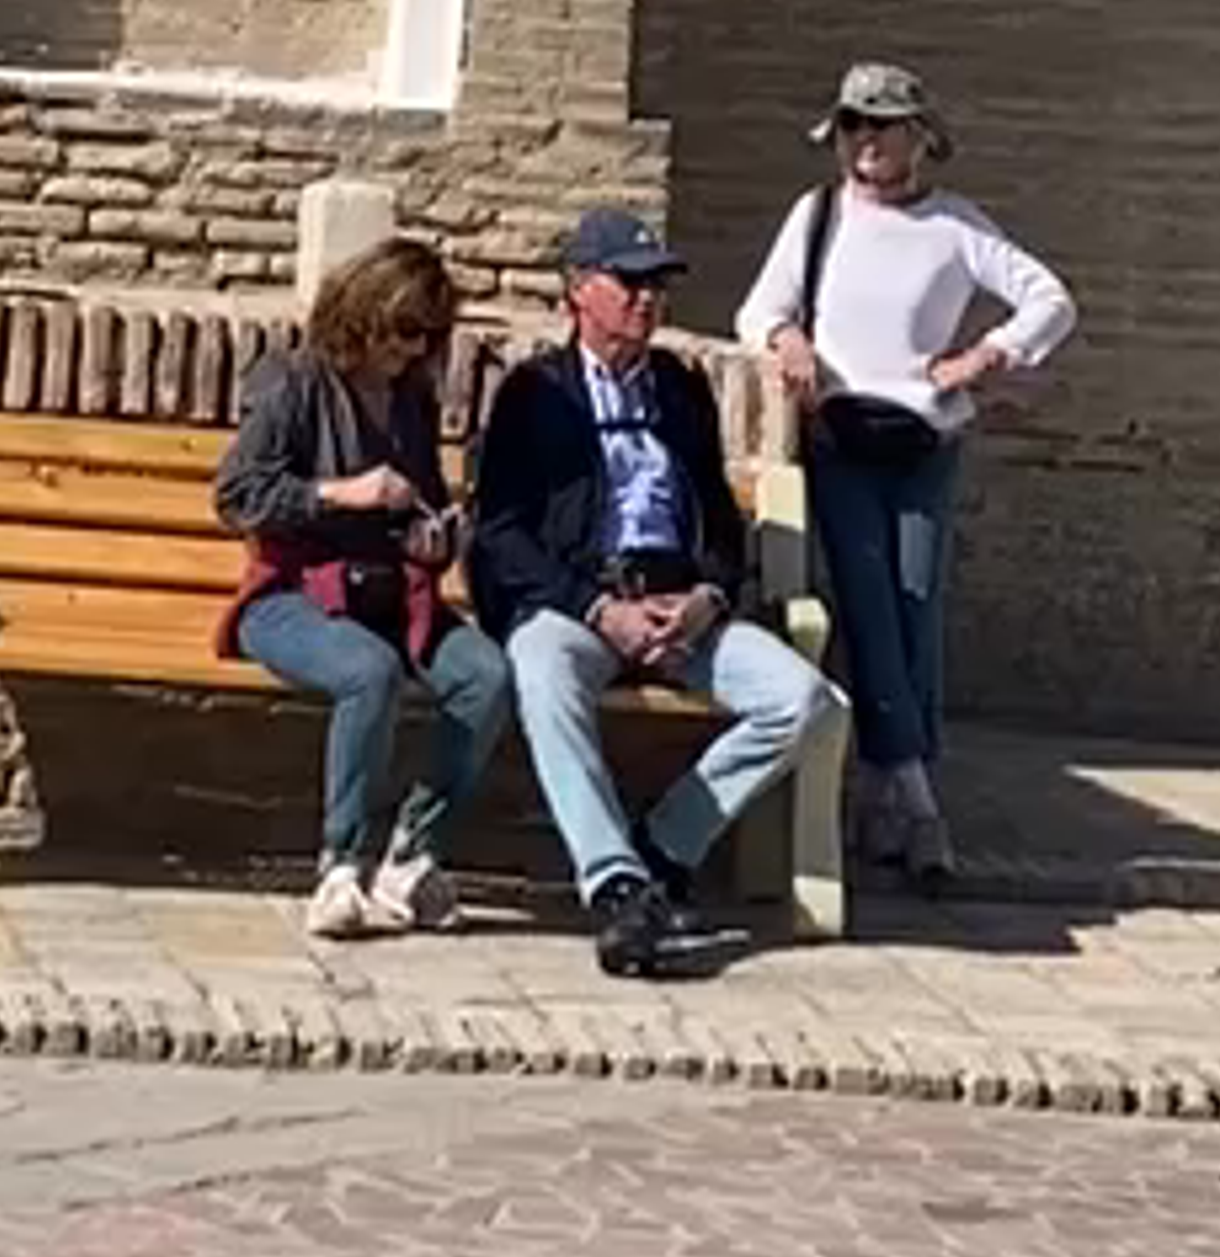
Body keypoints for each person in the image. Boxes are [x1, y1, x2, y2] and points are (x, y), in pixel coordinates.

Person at [467, 206, 839, 978]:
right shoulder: (536, 394)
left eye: (657, 285)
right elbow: (500, 532)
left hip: (678, 605)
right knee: (540, 670)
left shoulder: (679, 388)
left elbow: (716, 517)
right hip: (581, 603)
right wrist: (597, 608)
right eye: (629, 281)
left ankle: (667, 844)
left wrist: (706, 593)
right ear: (579, 289)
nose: (646, 300)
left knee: (805, 699)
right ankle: (617, 886)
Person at [741, 63, 1073, 894]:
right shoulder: (817, 219)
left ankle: (887, 784)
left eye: (882, 128)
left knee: (917, 605)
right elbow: (760, 309)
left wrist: (983, 356)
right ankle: (919, 800)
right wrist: (787, 343)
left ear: (918, 138)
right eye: (854, 127)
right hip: (842, 438)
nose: (866, 144)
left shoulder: (957, 227)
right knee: (867, 603)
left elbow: (1050, 299)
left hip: (924, 440)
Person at [214, 234, 509, 938]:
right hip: (292, 594)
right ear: (365, 313)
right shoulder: (293, 382)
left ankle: (412, 852)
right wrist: (340, 493)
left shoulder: (410, 398)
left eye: (430, 335)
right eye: (406, 329)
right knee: (368, 672)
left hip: (389, 595)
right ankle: (340, 864)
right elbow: (237, 494)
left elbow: (422, 503)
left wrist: (434, 538)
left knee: (488, 675)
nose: (414, 348)